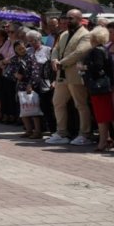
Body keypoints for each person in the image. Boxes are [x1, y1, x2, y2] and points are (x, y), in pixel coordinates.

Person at [45, 9, 93, 146]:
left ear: (79, 19)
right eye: (66, 18)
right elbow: (55, 49)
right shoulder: (64, 34)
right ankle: (62, 132)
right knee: (57, 102)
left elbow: (80, 52)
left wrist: (62, 63)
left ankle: (85, 134)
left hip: (76, 74)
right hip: (62, 75)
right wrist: (54, 60)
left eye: (70, 18)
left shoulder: (86, 35)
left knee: (81, 104)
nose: (67, 20)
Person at [81, 27, 114, 152]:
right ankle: (108, 138)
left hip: (99, 87)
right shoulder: (104, 49)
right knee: (105, 114)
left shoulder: (96, 51)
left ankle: (103, 141)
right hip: (103, 86)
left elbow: (97, 67)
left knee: (101, 116)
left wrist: (84, 67)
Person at [7, 40, 43, 139]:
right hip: (20, 86)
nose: (21, 50)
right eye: (19, 49)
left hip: (31, 86)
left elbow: (36, 72)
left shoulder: (31, 57)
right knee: (24, 109)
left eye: (23, 48)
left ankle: (38, 131)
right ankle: (28, 130)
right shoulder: (14, 59)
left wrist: (30, 84)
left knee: (34, 109)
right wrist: (15, 75)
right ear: (15, 50)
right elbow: (8, 72)